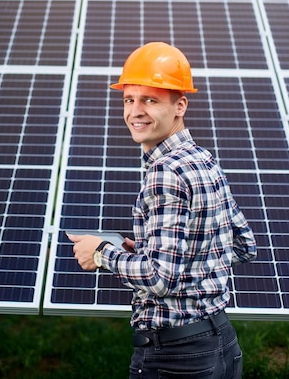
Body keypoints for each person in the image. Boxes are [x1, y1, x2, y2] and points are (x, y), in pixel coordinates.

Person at [68, 41, 257, 379]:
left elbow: (160, 278)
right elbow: (243, 246)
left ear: (180, 105)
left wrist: (101, 253)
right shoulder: (204, 160)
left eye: (150, 100)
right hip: (222, 343)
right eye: (129, 99)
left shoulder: (165, 173)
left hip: (176, 357)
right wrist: (145, 252)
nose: (135, 111)